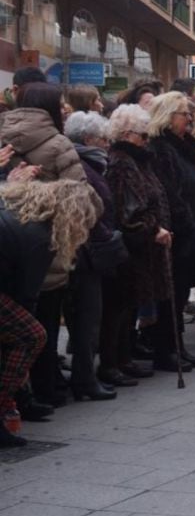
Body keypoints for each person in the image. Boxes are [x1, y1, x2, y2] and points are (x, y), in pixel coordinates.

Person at [0, 179, 101, 446]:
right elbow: (26, 296)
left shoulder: (24, 216)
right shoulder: (39, 237)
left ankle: (14, 402)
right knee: (32, 335)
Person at [99, 105, 172, 386]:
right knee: (118, 307)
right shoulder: (121, 162)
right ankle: (111, 363)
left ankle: (123, 359)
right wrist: (154, 228)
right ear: (126, 134)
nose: (146, 140)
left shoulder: (138, 160)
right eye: (142, 135)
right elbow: (127, 210)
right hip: (130, 245)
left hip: (141, 245)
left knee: (128, 305)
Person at [148, 92, 195, 372]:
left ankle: (178, 345)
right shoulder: (160, 148)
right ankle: (167, 348)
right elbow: (168, 189)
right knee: (170, 291)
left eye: (189, 113)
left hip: (193, 226)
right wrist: (186, 219)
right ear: (167, 116)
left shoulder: (186, 144)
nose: (189, 118)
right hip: (177, 227)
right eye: (183, 114)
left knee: (181, 287)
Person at [63, 111, 120, 400]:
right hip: (85, 250)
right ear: (88, 139)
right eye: (103, 139)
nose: (108, 144)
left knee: (88, 318)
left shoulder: (91, 162)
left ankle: (83, 375)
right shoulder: (82, 165)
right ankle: (84, 379)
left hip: (88, 247)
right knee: (87, 317)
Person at [0, 82, 86, 182]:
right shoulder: (60, 145)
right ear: (50, 108)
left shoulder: (5, 141)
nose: (65, 111)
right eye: (61, 106)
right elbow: (77, 190)